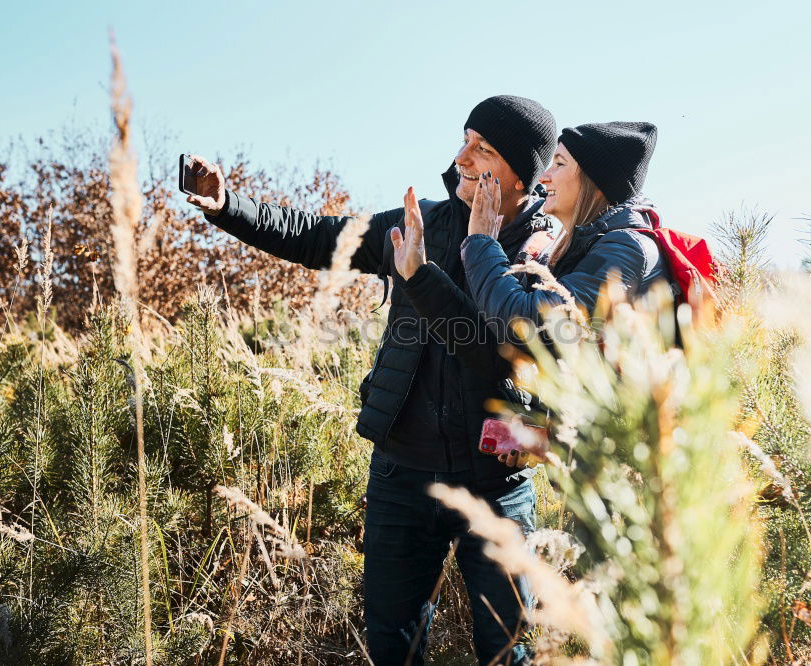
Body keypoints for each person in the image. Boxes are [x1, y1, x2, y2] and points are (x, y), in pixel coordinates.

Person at [184, 95, 557, 665]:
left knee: (505, 650)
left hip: (495, 480)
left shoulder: (544, 254)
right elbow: (317, 236)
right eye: (464, 139)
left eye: (483, 149)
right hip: (402, 472)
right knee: (392, 644)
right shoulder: (420, 223)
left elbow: (519, 360)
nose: (461, 157)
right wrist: (228, 205)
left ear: (521, 176)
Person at [391, 121, 669, 469]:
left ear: (594, 181)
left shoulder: (625, 248)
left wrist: (481, 242)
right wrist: (539, 429)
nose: (545, 177)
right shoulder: (586, 246)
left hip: (637, 480)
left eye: (559, 164)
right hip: (608, 468)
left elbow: (525, 325)